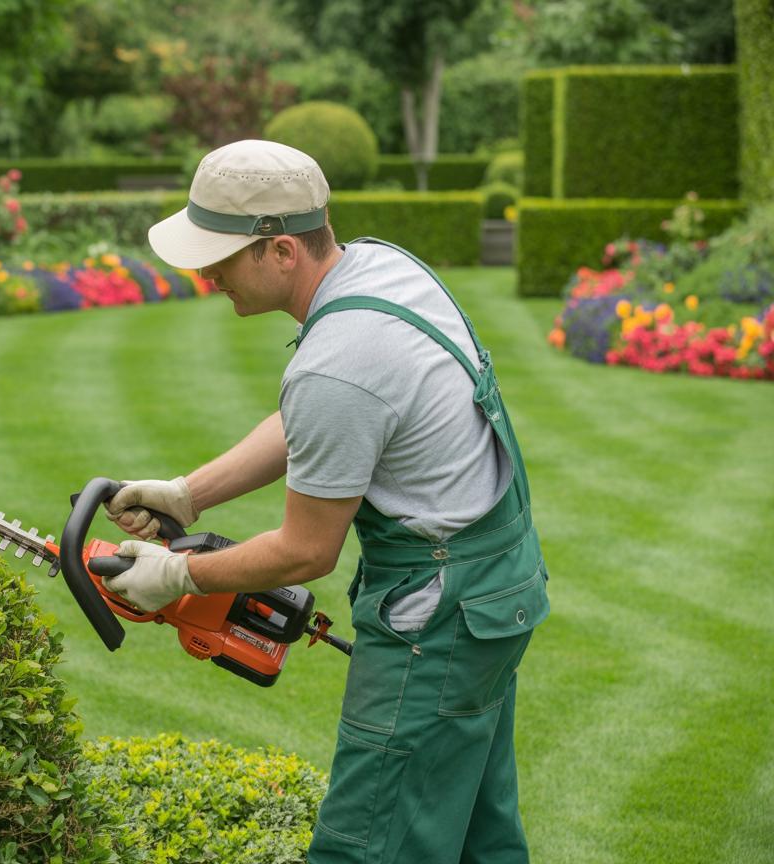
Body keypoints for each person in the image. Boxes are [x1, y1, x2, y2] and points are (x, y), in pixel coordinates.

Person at [100, 139, 550, 863]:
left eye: (219, 257)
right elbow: (321, 425)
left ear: (281, 251)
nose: (207, 275)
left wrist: (179, 576)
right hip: (495, 593)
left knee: (365, 845)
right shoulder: (377, 267)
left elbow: (308, 551)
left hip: (437, 619)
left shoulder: (339, 362)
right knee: (477, 835)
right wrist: (189, 495)